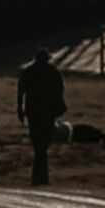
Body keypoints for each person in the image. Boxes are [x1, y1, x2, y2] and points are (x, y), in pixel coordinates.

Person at [18, 48, 67, 186]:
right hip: (47, 111)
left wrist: (19, 109)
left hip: (33, 110)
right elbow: (60, 90)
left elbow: (20, 91)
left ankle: (38, 174)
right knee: (43, 142)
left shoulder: (28, 72)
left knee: (37, 141)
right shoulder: (52, 72)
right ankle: (42, 175)